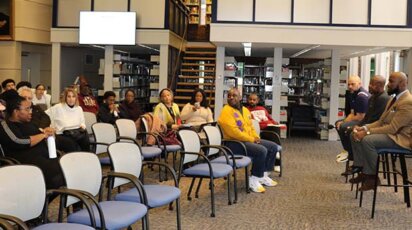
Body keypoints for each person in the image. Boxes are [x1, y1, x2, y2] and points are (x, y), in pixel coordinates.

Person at [350, 72, 412, 191]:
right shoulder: (393, 100)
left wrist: (367, 133)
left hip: (400, 138)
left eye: (391, 81)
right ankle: (363, 170)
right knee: (355, 134)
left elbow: (393, 128)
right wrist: (364, 128)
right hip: (390, 134)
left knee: (368, 140)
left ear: (403, 84)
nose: (388, 84)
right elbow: (381, 121)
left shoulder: (408, 102)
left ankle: (372, 178)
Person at [218, 88, 281, 193]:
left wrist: (256, 137)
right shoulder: (226, 111)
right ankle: (254, 178)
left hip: (246, 140)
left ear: (240, 98)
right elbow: (234, 132)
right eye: (229, 95)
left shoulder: (245, 110)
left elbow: (250, 127)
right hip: (233, 143)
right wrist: (251, 139)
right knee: (261, 150)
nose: (231, 97)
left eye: (234, 95)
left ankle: (263, 175)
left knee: (273, 147)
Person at [0, 90, 64, 190]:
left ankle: (45, 200)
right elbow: (19, 141)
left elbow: (42, 138)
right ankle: (42, 200)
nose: (31, 112)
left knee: (70, 170)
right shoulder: (6, 125)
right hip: (25, 164)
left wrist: (50, 136)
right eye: (27, 109)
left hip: (43, 159)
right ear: (16, 111)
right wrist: (43, 135)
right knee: (62, 176)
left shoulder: (29, 123)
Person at [340, 75, 390, 176]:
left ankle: (365, 171)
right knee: (351, 132)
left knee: (357, 135)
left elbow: (376, 120)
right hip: (370, 125)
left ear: (379, 85)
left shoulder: (383, 99)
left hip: (378, 128)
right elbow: (367, 118)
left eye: (372, 84)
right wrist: (359, 126)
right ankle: (358, 163)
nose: (369, 86)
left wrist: (364, 129)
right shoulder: (373, 98)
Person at [336, 76, 370, 163]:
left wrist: (343, 123)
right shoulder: (354, 94)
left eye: (353, 84)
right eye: (349, 84)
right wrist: (342, 121)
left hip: (367, 122)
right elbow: (352, 113)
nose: (350, 86)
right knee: (339, 123)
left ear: (359, 84)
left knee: (343, 127)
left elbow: (360, 117)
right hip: (361, 118)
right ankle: (348, 150)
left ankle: (351, 154)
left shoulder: (361, 96)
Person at [46, 87, 89, 152]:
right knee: (72, 145)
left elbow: (82, 122)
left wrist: (82, 126)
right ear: (65, 97)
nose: (71, 99)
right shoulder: (58, 107)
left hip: (76, 133)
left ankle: (86, 158)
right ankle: (74, 160)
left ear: (76, 98)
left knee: (85, 137)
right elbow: (44, 115)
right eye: (69, 96)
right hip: (62, 134)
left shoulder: (79, 108)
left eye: (73, 96)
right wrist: (50, 127)